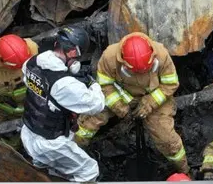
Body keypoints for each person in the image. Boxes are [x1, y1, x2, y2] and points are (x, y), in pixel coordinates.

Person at [75, 32, 190, 174]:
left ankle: (183, 170)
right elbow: (104, 84)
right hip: (122, 94)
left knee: (165, 137)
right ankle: (74, 150)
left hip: (155, 95)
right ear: (124, 62)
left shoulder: (161, 54)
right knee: (91, 118)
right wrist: (117, 104)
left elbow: (171, 84)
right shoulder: (110, 57)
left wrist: (150, 102)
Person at [20, 26, 105, 182]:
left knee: (47, 167)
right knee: (89, 171)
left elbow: (43, 89)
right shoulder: (64, 85)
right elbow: (96, 105)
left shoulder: (31, 63)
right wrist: (93, 84)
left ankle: (49, 180)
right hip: (51, 143)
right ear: (73, 52)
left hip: (29, 132)